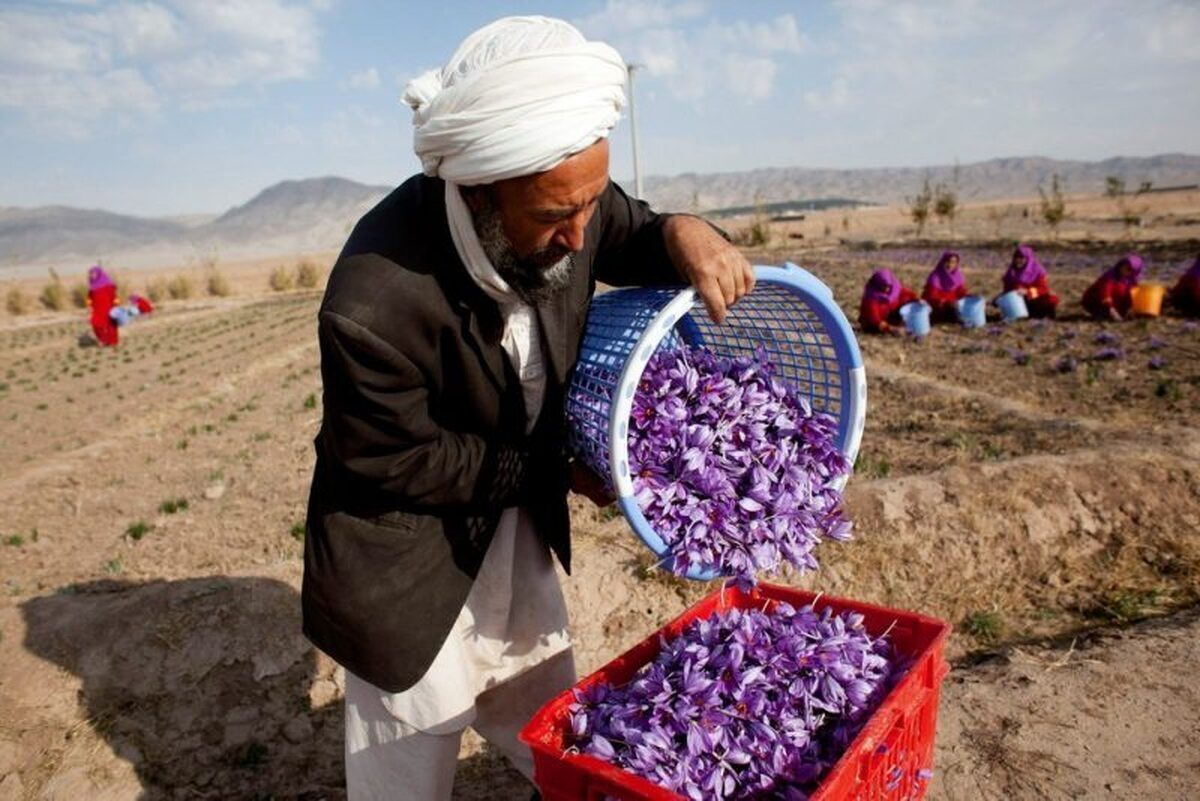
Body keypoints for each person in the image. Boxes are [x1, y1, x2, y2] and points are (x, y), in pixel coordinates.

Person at [300, 16, 755, 801]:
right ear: (477, 191)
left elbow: (632, 229)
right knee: (410, 758)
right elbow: (395, 459)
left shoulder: (564, 198)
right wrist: (551, 467)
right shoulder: (373, 302)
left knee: (549, 724)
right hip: (406, 554)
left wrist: (685, 233)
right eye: (553, 219)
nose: (579, 238)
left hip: (511, 522)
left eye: (586, 206)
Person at [998, 244, 1059, 318]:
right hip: (1018, 303)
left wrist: (1027, 292)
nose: (1018, 260)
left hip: (1035, 300)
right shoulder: (1011, 272)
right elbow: (1007, 290)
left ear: (1028, 259)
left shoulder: (1037, 271)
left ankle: (1043, 315)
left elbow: (1043, 289)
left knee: (1051, 298)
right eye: (1016, 257)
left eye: (1021, 258)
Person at [1081, 253, 1143, 320]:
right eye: (1123, 265)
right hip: (1097, 301)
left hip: (1116, 302)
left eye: (1128, 269)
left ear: (1133, 272)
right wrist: (1110, 308)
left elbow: (1132, 295)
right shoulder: (1110, 276)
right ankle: (1102, 314)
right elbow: (1105, 292)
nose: (1123, 269)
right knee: (1107, 312)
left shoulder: (1132, 281)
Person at [859, 268, 918, 334]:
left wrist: (918, 300)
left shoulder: (895, 290)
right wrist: (891, 328)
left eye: (888, 286)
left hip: (890, 319)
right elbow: (875, 320)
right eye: (883, 286)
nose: (887, 289)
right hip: (873, 325)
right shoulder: (870, 298)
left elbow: (909, 295)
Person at [921, 250, 968, 323]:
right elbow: (931, 296)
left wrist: (967, 297)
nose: (950, 265)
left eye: (953, 262)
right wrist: (944, 302)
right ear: (943, 262)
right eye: (948, 261)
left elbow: (960, 291)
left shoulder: (958, 276)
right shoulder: (935, 276)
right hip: (938, 306)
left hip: (953, 304)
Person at [86, 264, 119, 346]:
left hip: (108, 308)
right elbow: (89, 298)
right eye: (90, 274)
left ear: (98, 274)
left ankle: (112, 342)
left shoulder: (109, 285)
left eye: (93, 273)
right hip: (97, 310)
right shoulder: (92, 286)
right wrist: (89, 306)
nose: (91, 275)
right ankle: (103, 340)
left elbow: (114, 296)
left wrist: (116, 306)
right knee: (96, 324)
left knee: (110, 325)